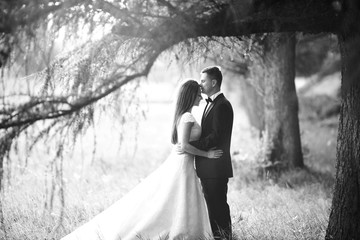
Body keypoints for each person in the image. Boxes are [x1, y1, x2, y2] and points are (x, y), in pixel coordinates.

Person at [61, 79, 223, 240]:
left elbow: (184, 144)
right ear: (191, 95)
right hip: (182, 163)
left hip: (184, 163)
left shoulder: (185, 115)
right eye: (198, 94)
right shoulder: (187, 117)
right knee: (174, 195)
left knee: (179, 196)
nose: (201, 97)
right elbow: (185, 146)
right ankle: (178, 230)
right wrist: (207, 154)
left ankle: (184, 229)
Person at [182, 66, 234, 240]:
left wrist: (191, 145)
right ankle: (218, 235)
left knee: (218, 204)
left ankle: (224, 236)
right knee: (212, 204)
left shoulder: (222, 105)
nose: (200, 83)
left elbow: (216, 136)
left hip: (216, 165)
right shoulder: (210, 104)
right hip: (208, 166)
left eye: (203, 80)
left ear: (214, 82)